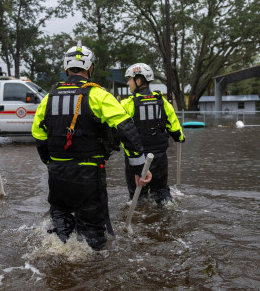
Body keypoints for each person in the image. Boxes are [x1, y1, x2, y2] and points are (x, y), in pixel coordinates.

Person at [32, 43, 151, 250]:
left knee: (61, 227)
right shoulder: (100, 95)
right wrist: (139, 169)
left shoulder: (48, 99)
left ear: (66, 69)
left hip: (57, 175)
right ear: (90, 68)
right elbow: (127, 130)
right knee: (93, 236)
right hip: (88, 175)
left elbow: (38, 134)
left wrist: (49, 162)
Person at [121, 63, 185, 205]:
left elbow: (118, 131)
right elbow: (176, 131)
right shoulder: (163, 102)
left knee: (138, 197)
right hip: (159, 159)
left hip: (136, 159)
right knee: (161, 191)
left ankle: (141, 219)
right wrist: (181, 137)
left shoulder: (127, 104)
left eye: (129, 79)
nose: (127, 83)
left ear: (138, 81)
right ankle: (167, 212)